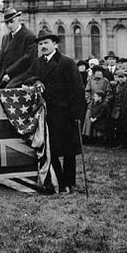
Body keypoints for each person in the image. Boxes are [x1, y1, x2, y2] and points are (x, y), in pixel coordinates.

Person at [23, 28, 85, 194]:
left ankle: (69, 182)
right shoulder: (38, 63)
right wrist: (36, 81)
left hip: (65, 113)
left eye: (46, 43)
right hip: (47, 113)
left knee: (69, 151)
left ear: (55, 44)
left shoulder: (66, 62)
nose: (43, 46)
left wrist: (78, 115)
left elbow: (77, 90)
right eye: (41, 43)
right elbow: (28, 76)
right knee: (52, 148)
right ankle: (59, 180)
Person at [0, 7, 36, 89]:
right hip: (7, 74)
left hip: (23, 73)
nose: (9, 25)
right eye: (7, 23)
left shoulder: (29, 36)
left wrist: (10, 73)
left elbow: (26, 59)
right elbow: (2, 60)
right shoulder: (5, 38)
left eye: (11, 21)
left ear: (18, 19)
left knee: (9, 88)